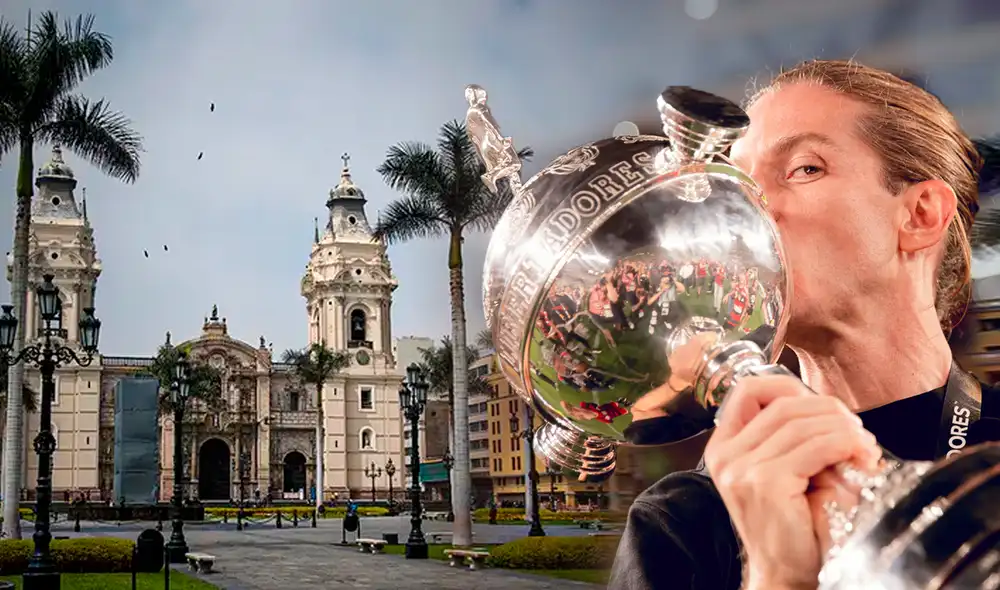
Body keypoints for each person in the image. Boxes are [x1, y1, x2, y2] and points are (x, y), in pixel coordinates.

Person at [609, 59, 1000, 590]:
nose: (749, 211)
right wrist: (778, 579)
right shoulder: (684, 521)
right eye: (740, 187)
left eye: (803, 168)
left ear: (921, 215)